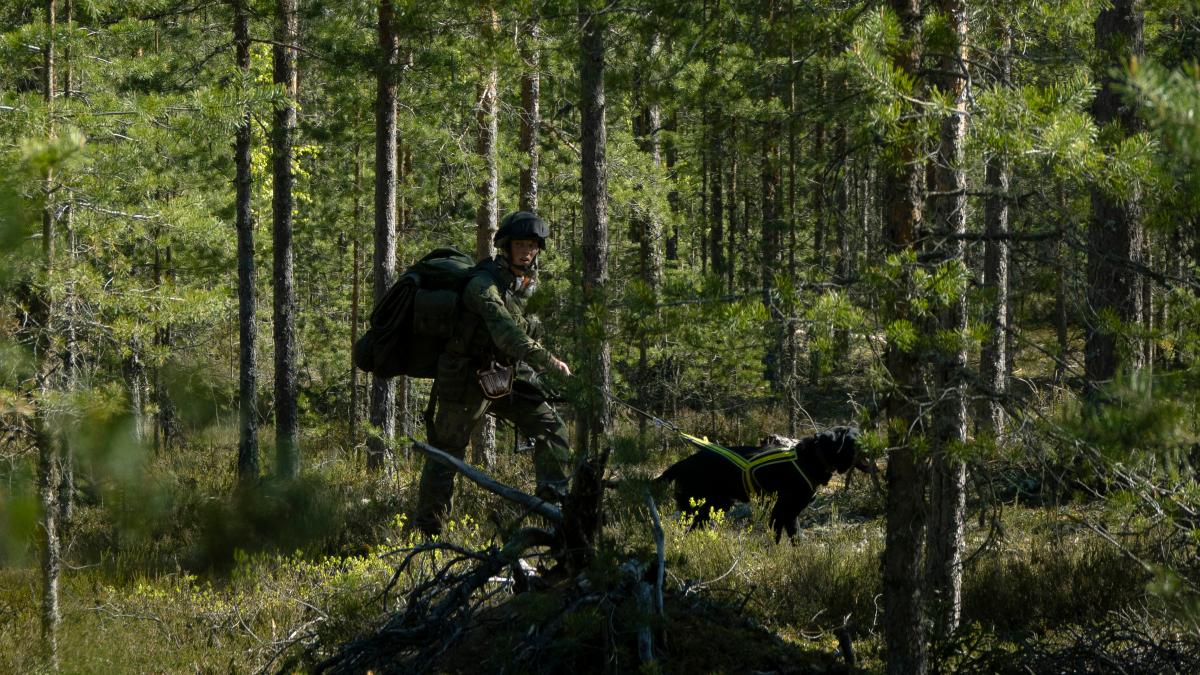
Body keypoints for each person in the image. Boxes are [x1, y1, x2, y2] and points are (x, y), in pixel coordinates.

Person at [413, 211, 573, 537]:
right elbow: (507, 333)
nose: (526, 251)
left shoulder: (527, 287)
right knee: (447, 453)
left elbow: (530, 332)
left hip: (506, 375)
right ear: (506, 246)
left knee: (551, 428)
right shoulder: (482, 285)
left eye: (531, 245)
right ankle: (429, 532)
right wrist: (548, 360)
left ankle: (554, 513)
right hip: (467, 379)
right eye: (520, 244)